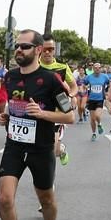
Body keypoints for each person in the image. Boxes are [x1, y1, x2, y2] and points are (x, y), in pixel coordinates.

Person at [0, 29, 76, 220]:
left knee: (46, 199)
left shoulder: (51, 80)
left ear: (38, 50)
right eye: (17, 47)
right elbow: (14, 106)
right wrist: (6, 117)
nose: (19, 50)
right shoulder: (9, 77)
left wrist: (42, 114)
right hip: (14, 144)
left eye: (25, 47)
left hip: (41, 147)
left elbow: (70, 116)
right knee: (4, 197)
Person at [39, 34, 77, 166]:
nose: (48, 52)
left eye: (51, 49)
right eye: (45, 49)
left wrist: (71, 97)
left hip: (57, 112)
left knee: (53, 150)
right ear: (39, 49)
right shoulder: (34, 66)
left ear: (55, 50)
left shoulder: (62, 67)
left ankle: (60, 150)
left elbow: (74, 87)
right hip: (38, 112)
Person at [84, 62, 110, 141]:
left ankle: (99, 124)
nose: (97, 69)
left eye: (99, 68)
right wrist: (86, 87)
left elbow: (109, 84)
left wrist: (107, 92)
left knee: (97, 116)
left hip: (100, 99)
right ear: (93, 69)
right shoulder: (89, 77)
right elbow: (84, 84)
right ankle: (94, 133)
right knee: (92, 119)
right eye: (95, 68)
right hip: (91, 99)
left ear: (101, 69)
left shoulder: (104, 77)